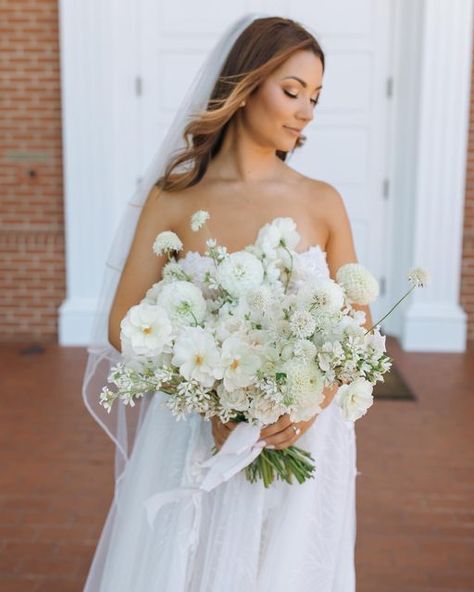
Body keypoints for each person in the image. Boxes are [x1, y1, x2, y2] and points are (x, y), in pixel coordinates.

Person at [82, 13, 373, 591]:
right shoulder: (174, 199)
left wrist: (307, 406)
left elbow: (356, 330)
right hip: (196, 434)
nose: (306, 112)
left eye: (314, 97)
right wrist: (211, 394)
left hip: (301, 439)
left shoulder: (321, 202)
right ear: (245, 87)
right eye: (292, 92)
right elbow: (123, 325)